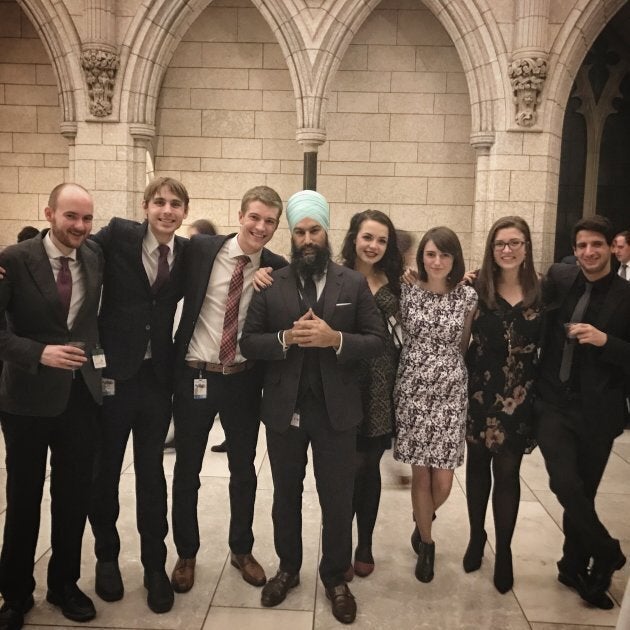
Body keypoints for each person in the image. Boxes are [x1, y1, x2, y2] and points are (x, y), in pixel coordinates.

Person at [240, 190, 385, 625]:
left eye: (314, 231)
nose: (307, 239)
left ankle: (335, 576)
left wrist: (335, 339)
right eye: (299, 231)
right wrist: (285, 338)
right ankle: (288, 568)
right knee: (285, 496)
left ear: (326, 232)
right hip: (285, 412)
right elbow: (249, 341)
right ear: (292, 234)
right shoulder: (272, 282)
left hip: (337, 414)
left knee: (337, 498)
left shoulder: (352, 283)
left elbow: (378, 341)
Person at [171, 185, 286, 594]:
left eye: (270, 221)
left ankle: (242, 548)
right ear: (240, 215)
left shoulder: (277, 267)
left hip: (242, 379)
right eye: (255, 217)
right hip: (195, 374)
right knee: (187, 469)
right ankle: (186, 552)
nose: (261, 226)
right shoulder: (201, 250)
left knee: (244, 471)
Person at [0, 183, 103, 629]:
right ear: (49, 213)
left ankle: (64, 584)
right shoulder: (14, 260)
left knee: (72, 496)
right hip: (25, 397)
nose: (79, 226)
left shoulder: (95, 258)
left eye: (86, 218)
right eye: (71, 217)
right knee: (23, 497)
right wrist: (39, 353)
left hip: (79, 396)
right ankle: (15, 593)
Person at [88, 177, 189, 613]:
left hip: (156, 380)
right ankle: (106, 558)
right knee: (105, 471)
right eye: (160, 203)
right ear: (145, 206)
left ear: (185, 212)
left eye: (176, 205)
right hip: (114, 376)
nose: (167, 211)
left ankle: (153, 566)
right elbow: (73, 244)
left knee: (152, 476)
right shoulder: (118, 234)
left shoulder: (187, 253)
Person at [536, 215, 630, 610]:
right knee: (564, 483)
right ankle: (606, 550)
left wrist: (605, 340)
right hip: (553, 403)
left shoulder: (627, 295)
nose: (588, 253)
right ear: (573, 251)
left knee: (584, 492)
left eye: (596, 245)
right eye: (581, 246)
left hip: (599, 409)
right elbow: (522, 289)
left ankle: (574, 565)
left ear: (612, 247)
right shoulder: (560, 279)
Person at [463, 216, 543, 594]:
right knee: (478, 468)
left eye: (514, 243)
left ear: (526, 247)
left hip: (520, 399)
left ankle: (505, 550)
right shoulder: (476, 289)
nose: (507, 250)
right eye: (500, 244)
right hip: (480, 393)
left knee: (508, 475)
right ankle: (477, 536)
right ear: (491, 249)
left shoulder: (542, 293)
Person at [394, 226, 477, 583]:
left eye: (444, 255)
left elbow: (463, 344)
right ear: (421, 257)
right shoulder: (407, 291)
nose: (438, 261)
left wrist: (447, 375)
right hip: (412, 388)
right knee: (421, 474)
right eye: (430, 254)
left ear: (455, 258)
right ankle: (427, 544)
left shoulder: (467, 297)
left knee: (443, 481)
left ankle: (421, 519)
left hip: (450, 392)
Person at [339, 209, 403, 578]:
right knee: (347, 468)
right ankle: (339, 544)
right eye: (368, 237)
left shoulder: (396, 282)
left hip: (382, 386)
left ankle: (364, 542)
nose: (374, 245)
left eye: (381, 240)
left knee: (369, 465)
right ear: (354, 238)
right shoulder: (336, 277)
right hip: (344, 382)